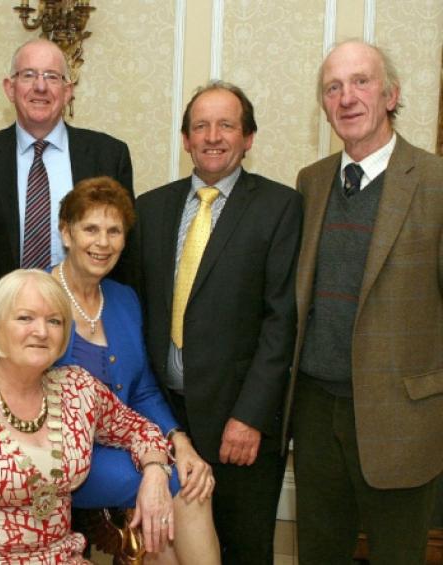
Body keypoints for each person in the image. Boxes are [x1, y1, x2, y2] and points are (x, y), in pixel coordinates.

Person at [132, 81, 303, 564]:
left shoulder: (280, 207)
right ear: (185, 139)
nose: (212, 136)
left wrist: (249, 416)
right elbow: (136, 311)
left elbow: (281, 321)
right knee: (169, 550)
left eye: (226, 125)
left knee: (243, 548)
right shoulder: (150, 208)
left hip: (239, 423)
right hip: (166, 418)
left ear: (248, 137)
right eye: (201, 126)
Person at [288, 39, 443, 565]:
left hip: (403, 418)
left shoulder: (435, 182)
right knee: (318, 554)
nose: (347, 97)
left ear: (391, 95)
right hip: (315, 412)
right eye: (333, 88)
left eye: (361, 82)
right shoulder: (311, 182)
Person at [0, 269, 174, 563]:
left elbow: (141, 430)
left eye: (54, 321)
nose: (42, 331)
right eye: (25, 318)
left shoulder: (77, 389)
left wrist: (155, 472)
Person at [52, 176, 219, 564]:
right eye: (91, 229)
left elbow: (142, 390)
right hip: (61, 458)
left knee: (193, 481)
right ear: (66, 233)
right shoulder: (37, 294)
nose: (103, 242)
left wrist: (179, 441)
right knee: (179, 486)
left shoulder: (123, 299)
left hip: (127, 446)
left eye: (114, 231)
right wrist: (156, 467)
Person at [0, 38, 134, 316]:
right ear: (10, 88)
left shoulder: (109, 155)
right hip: (9, 318)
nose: (40, 87)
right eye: (28, 75)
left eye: (52, 77)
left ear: (67, 92)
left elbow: (124, 251)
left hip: (88, 315)